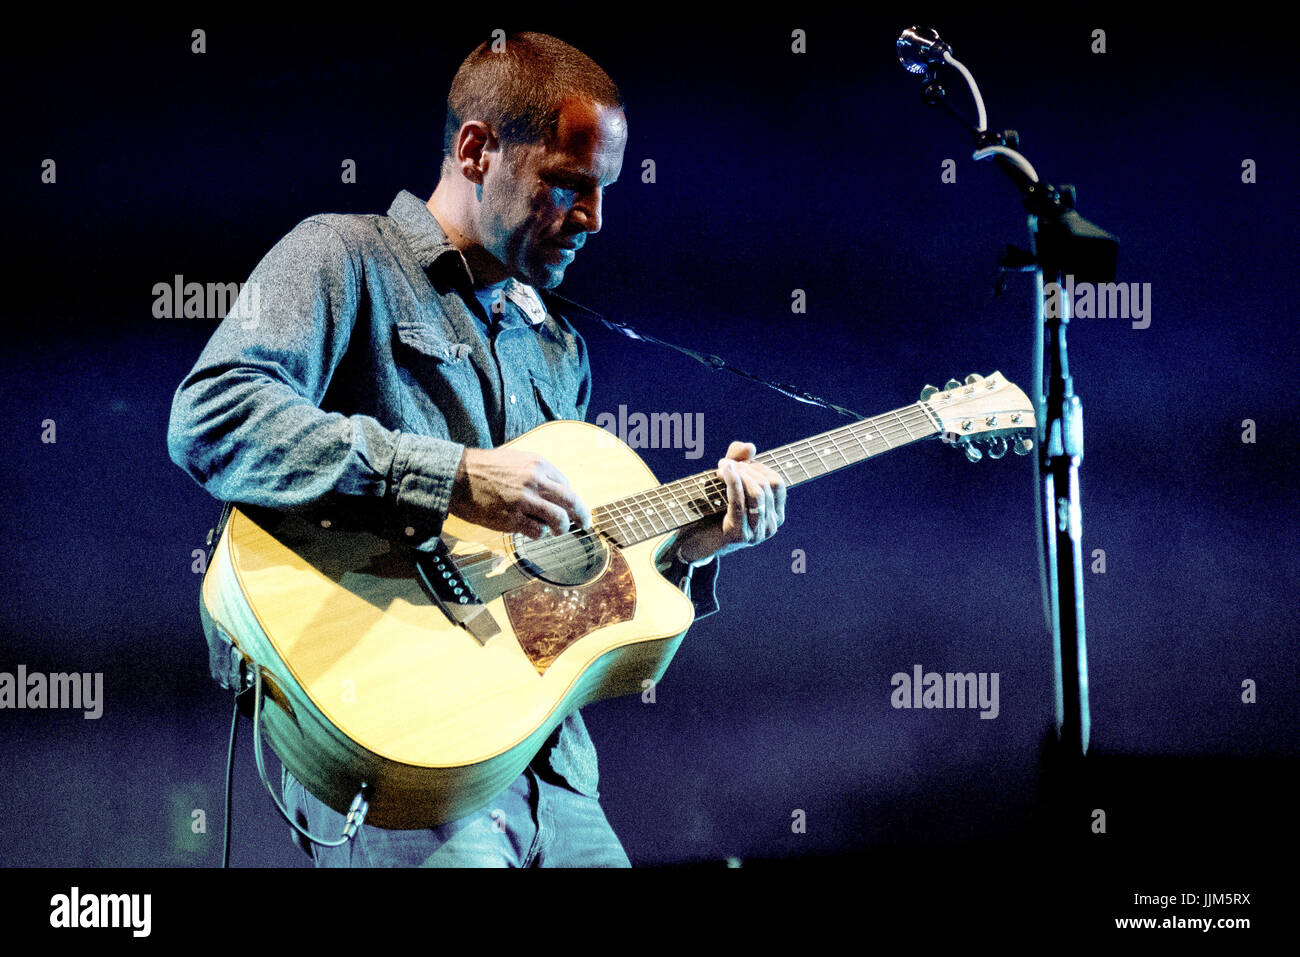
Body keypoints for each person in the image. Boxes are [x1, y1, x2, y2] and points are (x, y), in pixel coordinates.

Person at [167, 31, 786, 867]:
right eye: (568, 184)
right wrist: (453, 477)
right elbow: (211, 415)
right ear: (475, 150)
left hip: (553, 768)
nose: (594, 218)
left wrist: (684, 547)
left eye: (603, 191)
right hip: (406, 751)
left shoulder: (558, 348)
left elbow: (553, 591)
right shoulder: (344, 257)